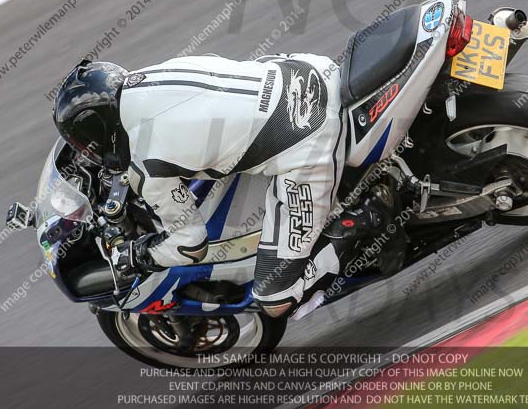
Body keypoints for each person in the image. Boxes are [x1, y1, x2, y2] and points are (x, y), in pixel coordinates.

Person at [52, 54, 347, 318]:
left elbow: (191, 245)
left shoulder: (147, 167)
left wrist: (140, 256)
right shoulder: (156, 72)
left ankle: (353, 230)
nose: (85, 152)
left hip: (312, 141)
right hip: (311, 71)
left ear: (96, 128)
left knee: (274, 298)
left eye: (81, 143)